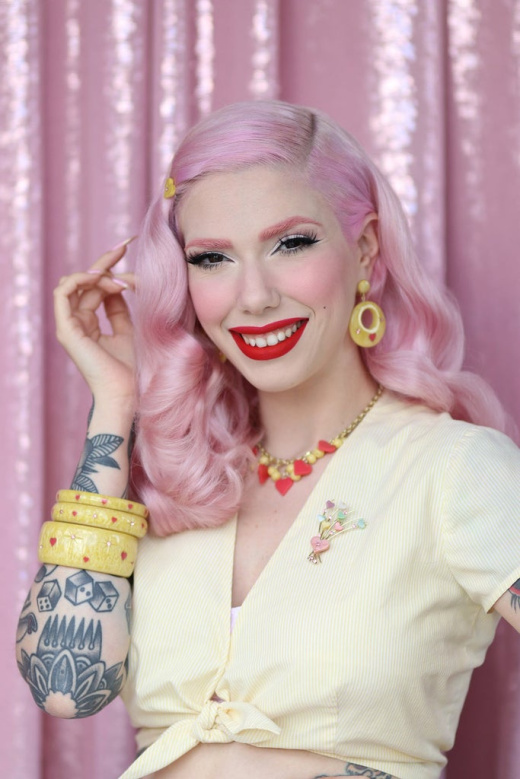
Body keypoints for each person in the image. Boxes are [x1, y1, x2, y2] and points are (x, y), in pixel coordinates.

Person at [16, 101, 520, 779]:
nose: (253, 296)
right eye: (212, 258)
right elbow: (63, 686)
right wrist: (116, 404)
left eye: (291, 244)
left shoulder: (454, 468)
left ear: (365, 249)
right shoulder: (170, 478)